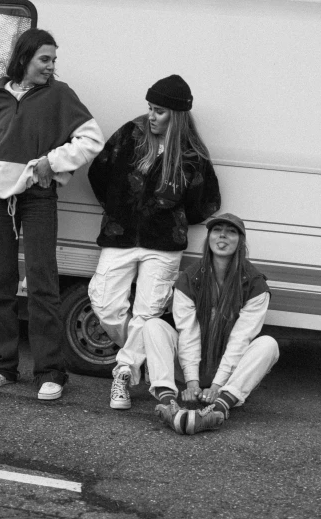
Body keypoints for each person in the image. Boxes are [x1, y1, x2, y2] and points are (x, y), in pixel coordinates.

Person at [0, 28, 104, 400]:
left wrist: (52, 161)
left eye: (54, 60)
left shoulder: (59, 95)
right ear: (24, 58)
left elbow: (92, 138)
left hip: (37, 197)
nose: (51, 66)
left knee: (42, 283)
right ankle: (3, 366)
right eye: (45, 59)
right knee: (1, 282)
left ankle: (50, 372)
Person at [88, 74, 221, 410]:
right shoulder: (130, 134)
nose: (151, 115)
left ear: (176, 115)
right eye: (150, 108)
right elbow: (98, 172)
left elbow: (205, 203)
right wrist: (119, 207)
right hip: (120, 236)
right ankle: (138, 353)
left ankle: (123, 372)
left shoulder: (191, 155)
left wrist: (170, 217)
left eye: (159, 111)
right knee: (104, 302)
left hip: (163, 244)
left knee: (146, 315)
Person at [143, 213, 279, 434]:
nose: (223, 235)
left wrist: (217, 386)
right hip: (190, 367)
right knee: (153, 326)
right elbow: (188, 332)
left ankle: (219, 407)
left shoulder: (255, 284)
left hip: (227, 375)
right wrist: (191, 382)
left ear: (240, 241)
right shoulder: (190, 277)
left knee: (269, 345)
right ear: (209, 239)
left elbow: (240, 338)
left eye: (231, 231)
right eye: (217, 230)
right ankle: (168, 403)